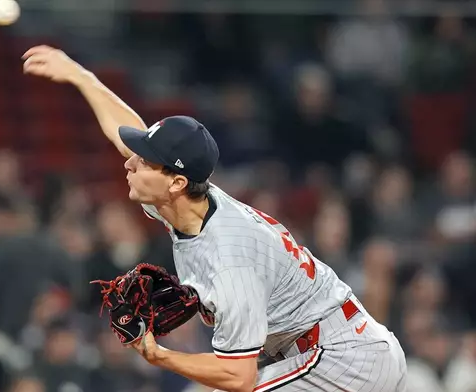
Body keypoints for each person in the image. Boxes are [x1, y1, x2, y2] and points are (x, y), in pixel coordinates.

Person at [21, 45, 407, 392]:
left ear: (176, 182)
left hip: (343, 362)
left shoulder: (228, 257)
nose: (130, 161)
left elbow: (238, 377)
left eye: (143, 160)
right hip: (322, 349)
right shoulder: (185, 199)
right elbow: (130, 134)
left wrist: (160, 356)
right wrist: (80, 76)